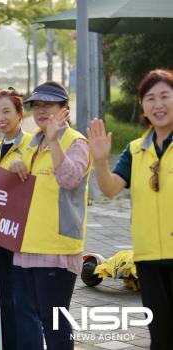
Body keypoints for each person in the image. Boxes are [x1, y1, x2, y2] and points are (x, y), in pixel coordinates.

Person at [87, 69, 173, 350]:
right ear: (143, 106)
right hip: (148, 258)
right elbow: (111, 189)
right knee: (160, 336)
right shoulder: (135, 150)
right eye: (150, 98)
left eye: (165, 96)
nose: (158, 104)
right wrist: (100, 161)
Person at [8, 81, 91, 350]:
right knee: (31, 314)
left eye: (49, 105)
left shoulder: (76, 142)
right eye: (37, 106)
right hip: (27, 244)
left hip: (57, 247)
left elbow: (69, 179)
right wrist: (15, 162)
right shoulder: (33, 141)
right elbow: (18, 177)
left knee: (54, 322)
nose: (41, 111)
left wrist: (55, 142)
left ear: (65, 109)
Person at [0, 88, 31, 350]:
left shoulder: (31, 144)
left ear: (19, 114)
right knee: (2, 298)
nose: (1, 118)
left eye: (6, 112)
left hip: (19, 233)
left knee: (23, 302)